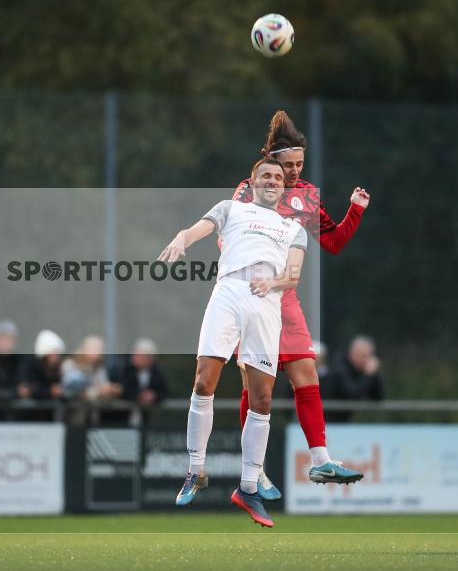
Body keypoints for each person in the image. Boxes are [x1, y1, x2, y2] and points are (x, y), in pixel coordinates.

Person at [162, 157, 305, 528]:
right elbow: (200, 229)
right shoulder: (231, 209)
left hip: (265, 300)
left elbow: (293, 275)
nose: (273, 181)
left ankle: (247, 488)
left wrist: (272, 284)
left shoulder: (293, 228)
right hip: (228, 291)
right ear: (253, 182)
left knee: (262, 398)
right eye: (266, 176)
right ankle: (196, 471)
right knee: (202, 380)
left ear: (283, 186)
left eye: (278, 177)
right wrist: (182, 238)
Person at [231, 110, 368, 496]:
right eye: (287, 164)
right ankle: (252, 469)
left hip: (284, 296)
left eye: (298, 164)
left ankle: (321, 461)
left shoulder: (307, 196)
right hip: (253, 295)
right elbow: (228, 235)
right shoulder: (249, 190)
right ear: (271, 162)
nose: (292, 171)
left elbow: (333, 242)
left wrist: (355, 210)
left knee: (307, 375)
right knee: (257, 390)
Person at [321, 335, 383, 423]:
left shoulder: (363, 369)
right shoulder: (339, 366)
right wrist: (368, 375)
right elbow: (351, 394)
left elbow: (377, 397)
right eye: (364, 356)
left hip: (342, 421)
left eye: (370, 357)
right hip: (324, 420)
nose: (368, 361)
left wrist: (375, 374)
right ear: (353, 353)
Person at [61, 335, 121, 401]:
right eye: (95, 349)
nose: (98, 353)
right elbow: (73, 392)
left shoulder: (99, 368)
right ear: (85, 349)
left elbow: (104, 387)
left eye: (100, 349)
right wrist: (97, 392)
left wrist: (111, 389)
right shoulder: (70, 365)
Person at [117, 338, 169, 406]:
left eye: (140, 356)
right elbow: (122, 390)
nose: (134, 358)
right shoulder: (124, 370)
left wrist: (154, 396)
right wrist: (139, 396)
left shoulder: (157, 373)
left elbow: (164, 392)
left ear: (150, 359)